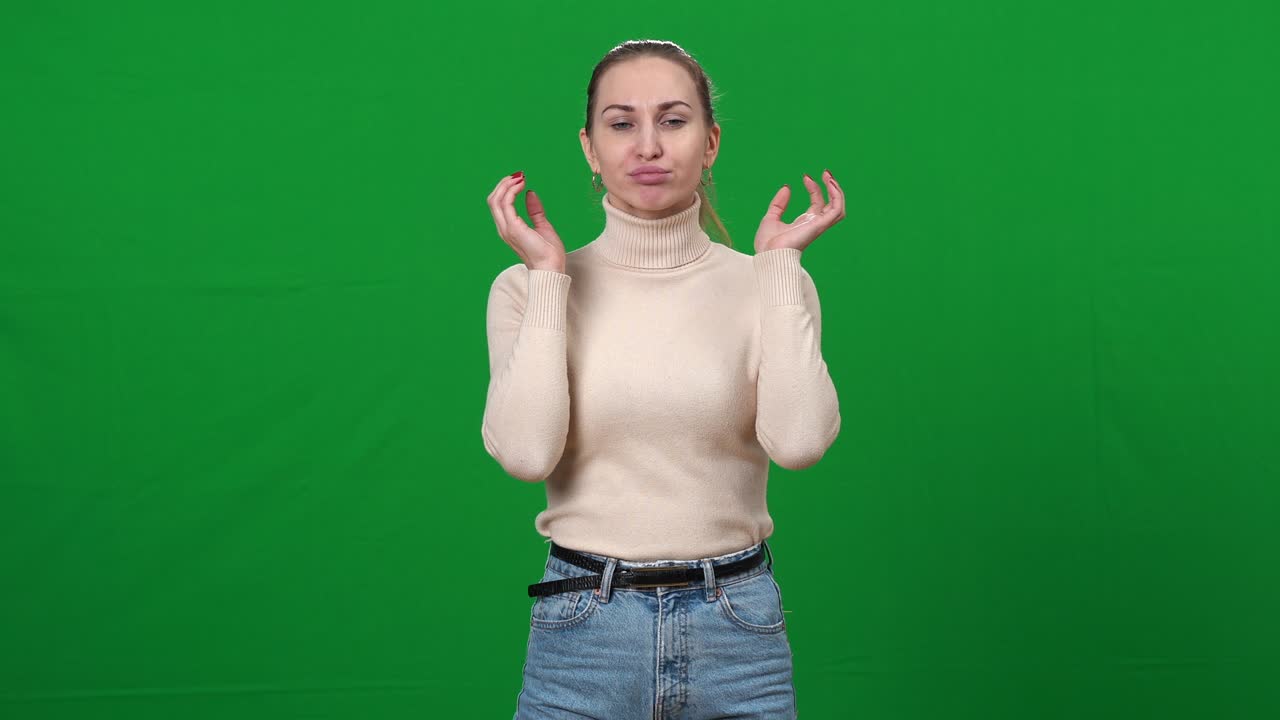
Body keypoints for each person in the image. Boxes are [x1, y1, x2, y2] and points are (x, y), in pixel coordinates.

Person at [483, 39, 844, 720]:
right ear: (590, 147)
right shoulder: (527, 290)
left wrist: (779, 272)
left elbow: (799, 443)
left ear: (709, 143)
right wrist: (549, 279)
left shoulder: (765, 282)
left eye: (673, 121)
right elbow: (527, 455)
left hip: (736, 627)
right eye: (621, 124)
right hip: (582, 630)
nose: (648, 145)